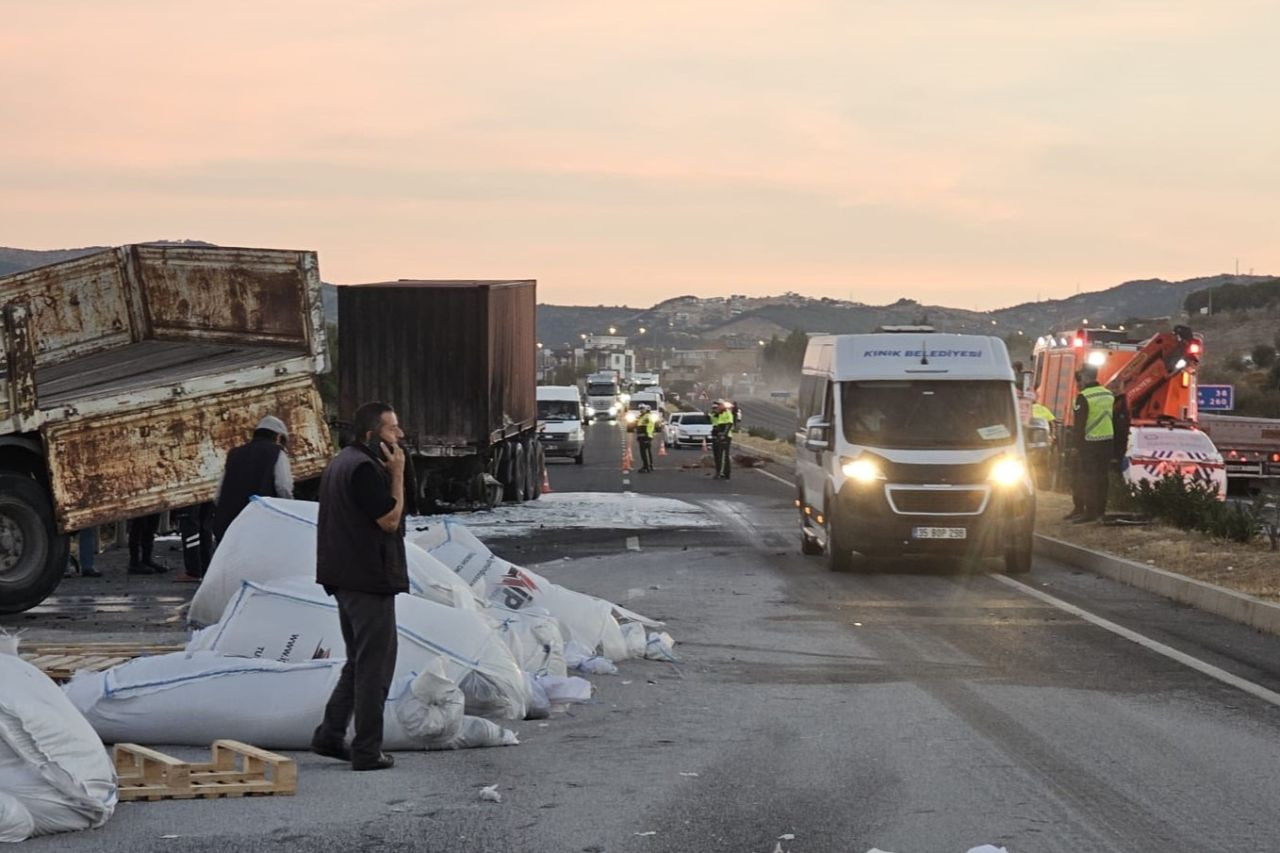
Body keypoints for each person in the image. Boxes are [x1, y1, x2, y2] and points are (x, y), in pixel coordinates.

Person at [311, 401, 407, 772]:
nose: (399, 436)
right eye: (392, 429)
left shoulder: (341, 461)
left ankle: (330, 734)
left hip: (344, 576)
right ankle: (367, 749)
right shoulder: (365, 468)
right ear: (372, 435)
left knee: (358, 662)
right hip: (368, 577)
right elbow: (389, 519)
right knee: (375, 667)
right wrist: (397, 474)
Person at [211, 415, 294, 543]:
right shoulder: (277, 453)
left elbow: (217, 496)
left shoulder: (234, 454)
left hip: (229, 526)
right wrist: (288, 513)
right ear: (278, 437)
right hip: (260, 525)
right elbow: (283, 487)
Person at [1068, 364, 1115, 523]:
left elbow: (1079, 425)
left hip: (1089, 444)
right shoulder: (1108, 394)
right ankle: (1101, 511)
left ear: (1085, 377)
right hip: (1107, 442)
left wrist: (1076, 446)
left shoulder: (1084, 396)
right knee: (1103, 478)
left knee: (1088, 478)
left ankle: (1090, 512)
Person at [710, 400, 735, 480]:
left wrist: (724, 434)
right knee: (717, 455)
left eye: (718, 406)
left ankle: (724, 473)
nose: (717, 408)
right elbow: (716, 424)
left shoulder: (727, 412)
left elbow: (729, 424)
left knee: (724, 455)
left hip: (725, 437)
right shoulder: (716, 415)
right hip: (718, 436)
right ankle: (719, 471)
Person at [635, 404, 656, 473]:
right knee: (646, 452)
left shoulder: (646, 416)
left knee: (644, 452)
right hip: (643, 436)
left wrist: (646, 437)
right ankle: (649, 466)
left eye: (642, 409)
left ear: (646, 409)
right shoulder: (643, 416)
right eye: (640, 409)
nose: (641, 410)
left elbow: (645, 427)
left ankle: (646, 467)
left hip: (645, 436)